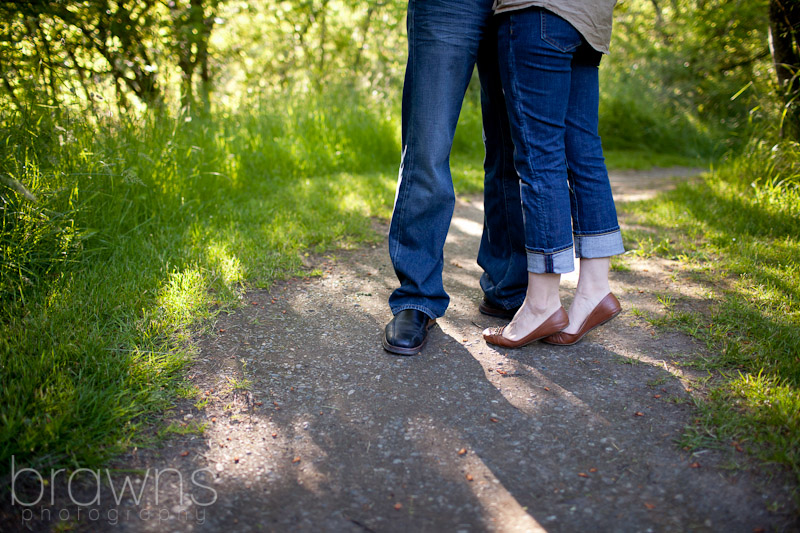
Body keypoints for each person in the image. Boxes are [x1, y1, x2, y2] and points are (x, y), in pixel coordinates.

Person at [383, 0, 529, 356]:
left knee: (512, 148)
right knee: (427, 147)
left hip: (522, 4)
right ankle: (417, 297)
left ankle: (509, 287)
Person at [483, 0, 625, 348]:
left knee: (539, 154)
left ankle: (542, 303)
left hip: (537, 10)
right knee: (585, 152)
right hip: (589, 17)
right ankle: (594, 290)